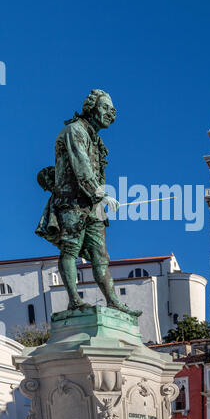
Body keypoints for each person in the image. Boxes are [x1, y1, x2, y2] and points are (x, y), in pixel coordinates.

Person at [36, 89, 142, 316]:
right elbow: (80, 164)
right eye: (104, 108)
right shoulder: (75, 131)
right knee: (71, 249)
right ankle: (74, 300)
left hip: (93, 206)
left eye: (110, 109)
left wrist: (99, 198)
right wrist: (100, 194)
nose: (109, 113)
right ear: (91, 108)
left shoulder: (96, 139)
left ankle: (113, 301)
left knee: (100, 255)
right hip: (72, 202)